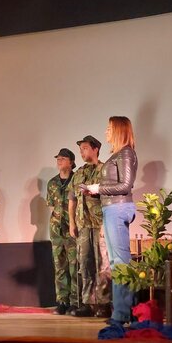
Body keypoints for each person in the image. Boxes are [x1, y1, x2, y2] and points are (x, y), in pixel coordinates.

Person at [86, 117, 138, 324]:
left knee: (120, 262)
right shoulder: (118, 154)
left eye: (109, 128)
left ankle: (122, 313)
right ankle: (124, 311)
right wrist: (96, 192)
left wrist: (98, 188)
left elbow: (125, 185)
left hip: (118, 208)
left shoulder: (126, 153)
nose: (106, 131)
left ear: (118, 130)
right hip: (111, 208)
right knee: (117, 262)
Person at [68, 135, 111, 318]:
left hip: (100, 223)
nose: (82, 152)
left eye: (85, 148)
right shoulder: (79, 173)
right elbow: (71, 199)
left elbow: (111, 196)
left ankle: (103, 303)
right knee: (85, 263)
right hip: (83, 224)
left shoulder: (105, 170)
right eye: (80, 149)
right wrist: (71, 222)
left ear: (95, 149)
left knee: (103, 264)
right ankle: (87, 303)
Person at [46, 148, 78, 315]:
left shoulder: (77, 180)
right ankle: (62, 301)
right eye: (58, 158)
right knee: (59, 266)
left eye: (63, 158)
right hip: (56, 230)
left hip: (73, 229)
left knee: (74, 265)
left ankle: (75, 301)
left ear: (71, 162)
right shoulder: (52, 183)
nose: (59, 161)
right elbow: (51, 205)